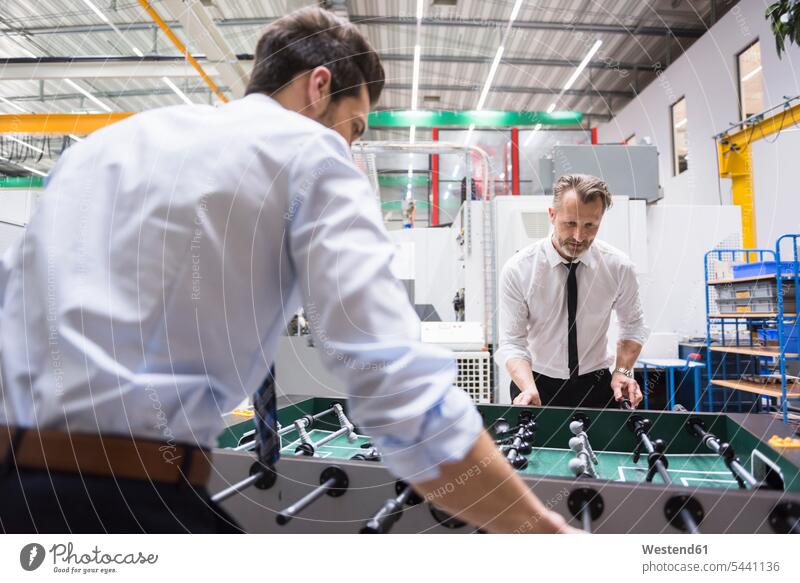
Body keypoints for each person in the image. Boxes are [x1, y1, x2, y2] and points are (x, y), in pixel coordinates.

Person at [0, 7, 573, 534]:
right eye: (354, 127)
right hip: (122, 499)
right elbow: (394, 383)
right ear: (319, 86)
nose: (350, 148)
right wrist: (538, 530)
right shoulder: (309, 153)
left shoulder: (98, 151)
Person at [495, 174, 649, 409]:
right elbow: (513, 342)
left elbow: (633, 327)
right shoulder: (519, 269)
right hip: (535, 383)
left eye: (590, 225)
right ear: (552, 215)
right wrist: (527, 387)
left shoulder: (618, 267)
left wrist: (622, 371)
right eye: (570, 223)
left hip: (596, 385)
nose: (579, 236)